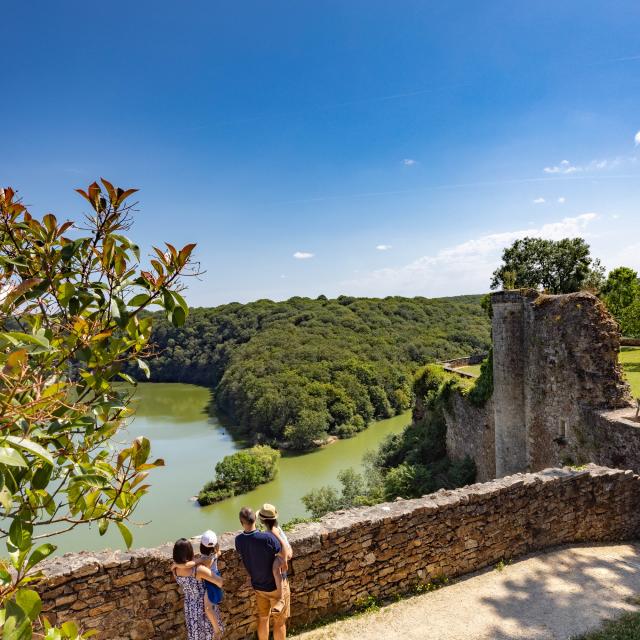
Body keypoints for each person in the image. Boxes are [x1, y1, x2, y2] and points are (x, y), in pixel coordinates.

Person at [235, 507, 289, 640]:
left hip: (258, 587)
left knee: (263, 618)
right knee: (279, 621)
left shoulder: (239, 540)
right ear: (255, 519)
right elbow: (284, 552)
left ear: (241, 522)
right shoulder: (267, 538)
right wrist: (276, 533)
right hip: (275, 587)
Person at [172, 537, 224, 640]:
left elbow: (183, 566)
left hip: (190, 607)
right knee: (210, 635)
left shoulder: (175, 570)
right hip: (203, 607)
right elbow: (220, 582)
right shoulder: (198, 570)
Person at [199, 530, 225, 639]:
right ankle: (216, 630)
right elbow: (219, 552)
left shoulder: (205, 559)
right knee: (211, 608)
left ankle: (217, 630)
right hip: (215, 578)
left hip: (211, 582)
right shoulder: (214, 554)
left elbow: (193, 563)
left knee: (208, 609)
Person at [258, 503, 293, 573]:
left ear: (263, 520)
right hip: (287, 550)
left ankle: (280, 584)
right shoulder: (275, 526)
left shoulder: (272, 531)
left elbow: (283, 543)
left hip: (285, 554)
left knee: (275, 570)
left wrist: (285, 562)